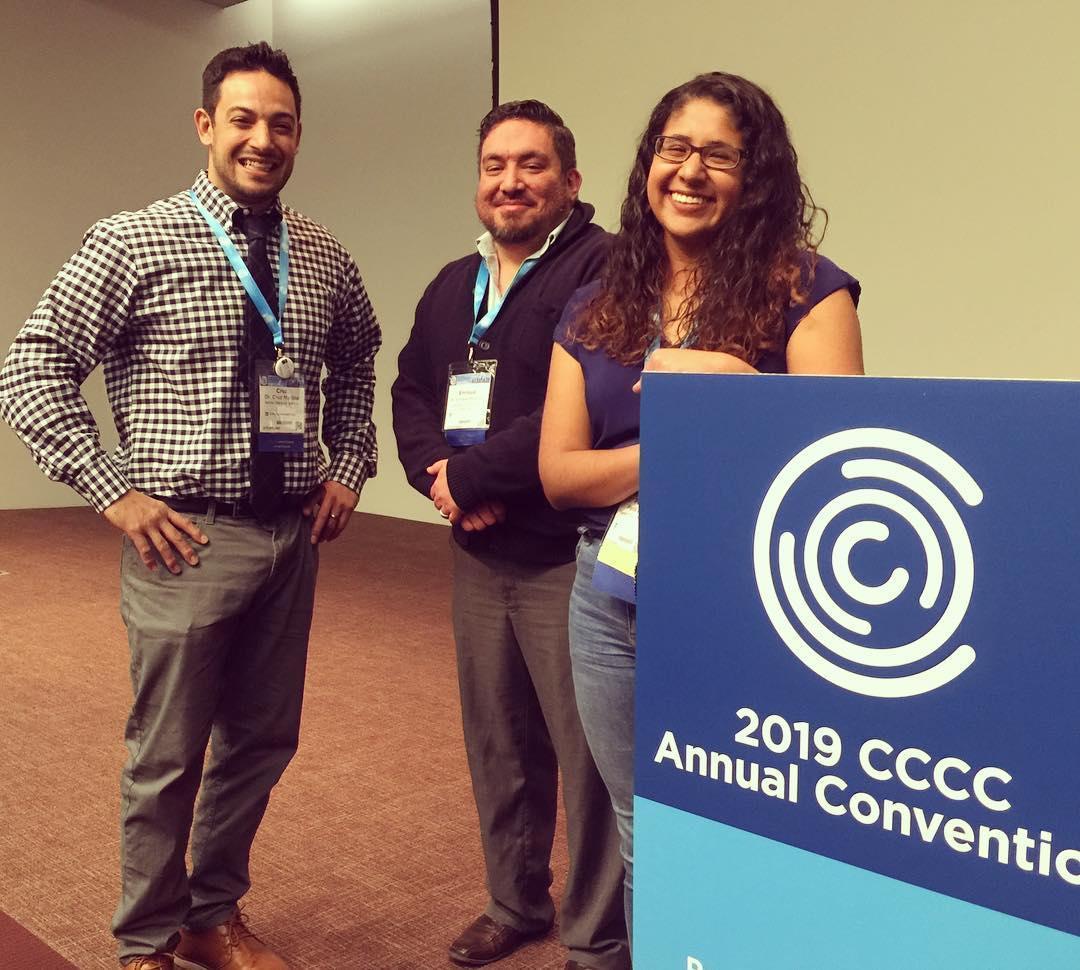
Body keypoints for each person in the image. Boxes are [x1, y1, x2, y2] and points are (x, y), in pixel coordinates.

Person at [0, 42, 380, 970]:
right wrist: (113, 491)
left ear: (298, 135)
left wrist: (352, 463)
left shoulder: (321, 254)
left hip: (291, 538)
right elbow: (29, 368)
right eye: (243, 119)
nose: (263, 138)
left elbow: (362, 359)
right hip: (186, 540)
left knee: (260, 742)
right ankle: (144, 943)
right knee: (166, 755)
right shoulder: (133, 240)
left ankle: (212, 916)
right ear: (206, 124)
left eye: (281, 123)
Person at [538, 72, 864, 942]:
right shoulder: (600, 301)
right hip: (608, 594)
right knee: (649, 831)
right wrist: (684, 442)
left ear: (755, 176)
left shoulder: (807, 288)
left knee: (754, 824)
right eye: (673, 150)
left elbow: (840, 460)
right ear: (648, 165)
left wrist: (740, 388)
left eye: (718, 155)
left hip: (749, 593)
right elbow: (562, 476)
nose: (689, 171)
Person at [392, 101, 629, 970]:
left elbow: (575, 410)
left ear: (571, 181)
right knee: (499, 742)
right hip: (478, 549)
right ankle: (515, 900)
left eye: (532, 165)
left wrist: (474, 478)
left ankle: (596, 937)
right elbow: (411, 389)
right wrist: (435, 478)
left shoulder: (606, 270)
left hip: (569, 555)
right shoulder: (455, 281)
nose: (510, 181)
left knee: (591, 755)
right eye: (495, 164)